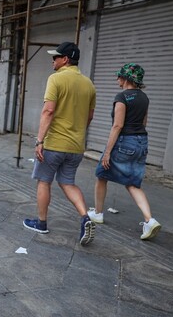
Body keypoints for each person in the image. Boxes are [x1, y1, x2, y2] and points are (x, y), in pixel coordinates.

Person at [23, 42, 97, 246]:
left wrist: (39, 140)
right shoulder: (89, 84)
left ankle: (41, 223)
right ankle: (85, 218)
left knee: (44, 181)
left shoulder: (56, 79)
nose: (52, 60)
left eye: (55, 57)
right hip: (76, 146)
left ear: (65, 59)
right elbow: (89, 116)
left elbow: (48, 111)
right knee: (67, 183)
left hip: (54, 143)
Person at [87, 64, 160, 240]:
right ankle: (150, 220)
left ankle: (97, 213)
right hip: (141, 141)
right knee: (133, 183)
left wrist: (107, 153)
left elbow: (117, 125)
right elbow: (144, 123)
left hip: (124, 141)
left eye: (120, 76)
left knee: (101, 173)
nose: (117, 79)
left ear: (127, 79)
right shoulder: (144, 98)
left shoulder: (122, 97)